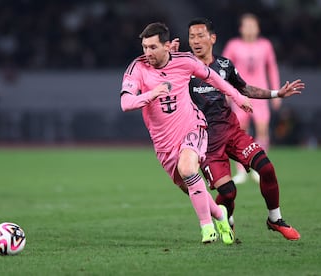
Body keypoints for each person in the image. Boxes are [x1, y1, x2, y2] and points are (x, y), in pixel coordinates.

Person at [120, 22, 253, 244]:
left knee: (188, 168)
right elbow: (126, 102)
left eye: (153, 47)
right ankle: (220, 215)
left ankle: (207, 228)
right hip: (163, 144)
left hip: (192, 127)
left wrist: (238, 98)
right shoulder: (138, 68)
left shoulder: (185, 62)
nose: (147, 53)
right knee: (189, 184)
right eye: (144, 47)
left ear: (167, 46)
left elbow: (214, 78)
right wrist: (151, 94)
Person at [173, 17, 301, 240]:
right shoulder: (183, 68)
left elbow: (245, 88)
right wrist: (170, 57)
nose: (195, 40)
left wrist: (275, 94)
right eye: (191, 36)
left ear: (212, 38)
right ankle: (227, 222)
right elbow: (160, 71)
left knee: (267, 169)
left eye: (200, 35)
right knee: (228, 193)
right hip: (206, 141)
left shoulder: (224, 65)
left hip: (232, 131)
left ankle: (275, 219)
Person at [222, 13, 281, 184]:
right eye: (246, 25)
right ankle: (241, 170)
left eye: (252, 25)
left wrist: (276, 92)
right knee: (241, 131)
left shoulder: (265, 45)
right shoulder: (233, 45)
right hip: (240, 93)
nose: (249, 29)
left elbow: (272, 68)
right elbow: (223, 69)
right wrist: (226, 92)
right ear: (241, 28)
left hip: (260, 93)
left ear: (258, 28)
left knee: (262, 129)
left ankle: (259, 167)